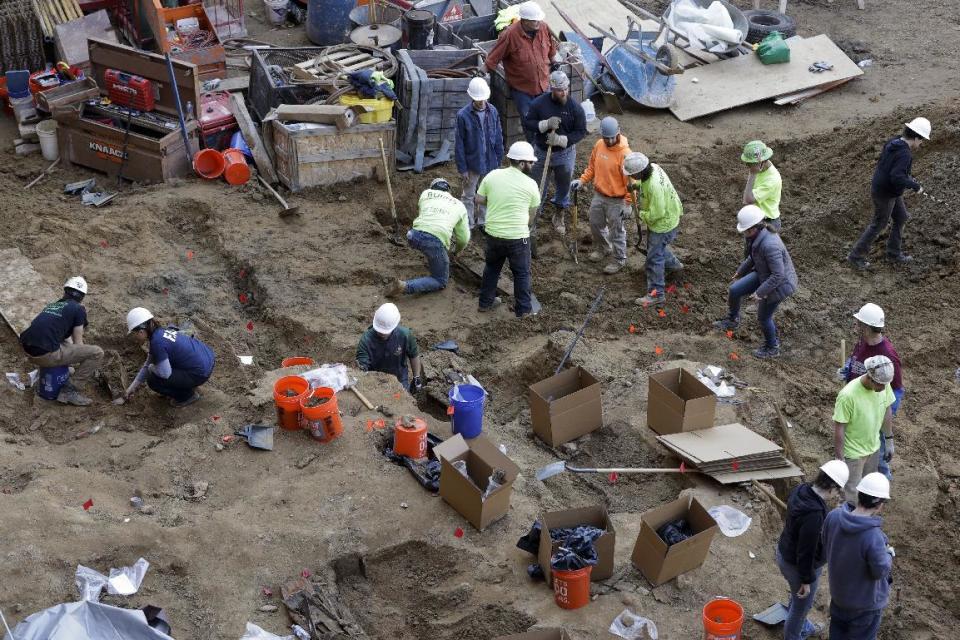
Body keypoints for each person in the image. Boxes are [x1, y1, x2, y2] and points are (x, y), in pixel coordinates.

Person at [776, 460, 848, 640]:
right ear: (832, 487)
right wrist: (806, 580)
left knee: (797, 597)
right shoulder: (814, 516)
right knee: (801, 607)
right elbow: (806, 552)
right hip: (798, 565)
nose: (836, 495)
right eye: (837, 490)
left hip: (785, 552)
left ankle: (803, 627)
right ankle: (793, 636)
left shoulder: (803, 490)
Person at [713, 205, 798, 359]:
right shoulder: (758, 237)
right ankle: (733, 320)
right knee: (735, 290)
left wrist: (760, 293)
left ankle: (772, 347)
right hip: (764, 273)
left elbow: (778, 275)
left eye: (745, 230)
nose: (743, 233)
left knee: (763, 317)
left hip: (779, 285)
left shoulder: (770, 245)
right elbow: (753, 257)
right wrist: (740, 271)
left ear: (752, 228)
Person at [848, 117, 930, 269]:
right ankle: (855, 256)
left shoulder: (894, 141)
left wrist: (906, 178)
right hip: (885, 192)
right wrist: (914, 185)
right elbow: (896, 176)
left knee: (901, 217)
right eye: (922, 140)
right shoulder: (905, 154)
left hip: (887, 188)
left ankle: (893, 253)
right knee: (878, 224)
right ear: (916, 137)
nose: (921, 143)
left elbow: (892, 169)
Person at [821, 473, 893, 640]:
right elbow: (880, 571)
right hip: (865, 607)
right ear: (879, 505)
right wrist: (889, 554)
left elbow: (826, 541)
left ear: (859, 495)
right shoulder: (873, 536)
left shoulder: (834, 516)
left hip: (839, 599)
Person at [475, 141, 541, 317]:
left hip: (493, 235)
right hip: (518, 238)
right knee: (521, 274)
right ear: (521, 163)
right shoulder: (531, 185)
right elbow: (531, 215)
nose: (533, 165)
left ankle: (485, 303)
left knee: (491, 268)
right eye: (531, 162)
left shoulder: (493, 175)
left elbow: (478, 199)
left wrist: (496, 202)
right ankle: (524, 311)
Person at [840, 303, 903, 480]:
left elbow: (896, 390)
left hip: (872, 402)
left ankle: (881, 477)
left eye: (859, 323)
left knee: (875, 438)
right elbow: (856, 360)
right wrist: (847, 368)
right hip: (856, 398)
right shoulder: (863, 342)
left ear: (867, 327)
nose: (856, 326)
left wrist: (879, 413)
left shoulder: (887, 355)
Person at [19, 276, 104, 406]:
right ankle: (70, 391)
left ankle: (61, 371)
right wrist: (87, 366)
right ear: (82, 297)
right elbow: (78, 344)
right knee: (97, 353)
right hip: (45, 355)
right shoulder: (79, 309)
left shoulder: (53, 306)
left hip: (27, 350)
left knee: (64, 348)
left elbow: (61, 337)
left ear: (65, 291)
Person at [522, 70, 587, 233]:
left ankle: (559, 214)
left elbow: (580, 132)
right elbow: (528, 122)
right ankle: (533, 217)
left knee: (564, 184)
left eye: (566, 88)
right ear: (552, 89)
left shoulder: (575, 108)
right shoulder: (539, 104)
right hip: (541, 152)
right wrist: (544, 124)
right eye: (559, 90)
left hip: (565, 154)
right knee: (537, 186)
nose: (564, 92)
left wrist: (560, 140)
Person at [384, 178, 470, 298]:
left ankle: (431, 256)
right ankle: (405, 286)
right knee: (440, 280)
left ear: (432, 188)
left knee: (430, 247)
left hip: (413, 235)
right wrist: (456, 251)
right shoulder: (460, 205)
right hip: (433, 241)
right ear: (449, 191)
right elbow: (463, 239)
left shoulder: (425, 194)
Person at [569, 116, 633, 275]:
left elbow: (631, 183)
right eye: (606, 137)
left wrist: (628, 203)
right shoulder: (599, 145)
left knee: (616, 231)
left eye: (612, 137)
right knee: (595, 224)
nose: (609, 140)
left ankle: (619, 260)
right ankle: (604, 248)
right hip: (599, 195)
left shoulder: (625, 154)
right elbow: (592, 167)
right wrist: (582, 180)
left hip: (617, 200)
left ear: (618, 133)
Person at [484, 1, 556, 133]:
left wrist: (553, 61)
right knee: (530, 122)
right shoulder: (509, 35)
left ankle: (546, 146)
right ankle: (533, 148)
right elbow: (493, 58)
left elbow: (551, 48)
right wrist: (482, 72)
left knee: (548, 118)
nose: (538, 22)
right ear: (525, 21)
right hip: (523, 90)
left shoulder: (543, 28)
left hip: (544, 85)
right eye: (534, 20)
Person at [623, 152, 685, 304]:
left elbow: (657, 213)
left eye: (632, 175)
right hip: (672, 214)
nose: (631, 177)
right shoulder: (654, 168)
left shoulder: (653, 187)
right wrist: (637, 186)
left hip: (662, 224)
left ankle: (657, 293)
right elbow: (647, 185)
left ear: (639, 171)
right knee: (658, 250)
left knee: (654, 259)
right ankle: (674, 265)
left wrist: (641, 214)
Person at [121, 307, 214, 408]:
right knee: (159, 365)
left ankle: (187, 396)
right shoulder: (161, 332)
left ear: (141, 331)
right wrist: (129, 390)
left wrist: (152, 368)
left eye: (134, 334)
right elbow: (147, 365)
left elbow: (165, 373)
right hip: (207, 359)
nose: (135, 337)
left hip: (201, 373)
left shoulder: (157, 343)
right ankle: (187, 383)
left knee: (153, 380)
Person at [833, 355, 895, 504]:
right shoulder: (848, 395)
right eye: (880, 384)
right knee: (851, 496)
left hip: (873, 448)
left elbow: (887, 411)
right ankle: (848, 523)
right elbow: (839, 428)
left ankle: (864, 520)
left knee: (868, 489)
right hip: (853, 454)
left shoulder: (883, 385)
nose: (884, 388)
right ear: (870, 377)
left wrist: (888, 440)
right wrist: (840, 459)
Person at [455, 77, 504, 229]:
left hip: (490, 161)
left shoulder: (493, 111)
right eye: (478, 99)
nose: (481, 102)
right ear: (471, 97)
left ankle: (483, 221)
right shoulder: (463, 115)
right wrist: (462, 168)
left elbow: (498, 136)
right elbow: (459, 144)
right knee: (468, 195)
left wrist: (498, 159)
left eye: (483, 99)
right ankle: (468, 224)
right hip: (472, 163)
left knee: (487, 194)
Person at [356, 303, 423, 392]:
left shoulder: (405, 335)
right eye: (380, 331)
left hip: (400, 378)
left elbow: (414, 355)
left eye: (385, 331)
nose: (382, 333)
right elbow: (362, 366)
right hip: (376, 380)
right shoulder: (366, 340)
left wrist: (416, 377)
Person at [741, 140, 782, 232]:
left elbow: (747, 200)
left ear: (762, 162)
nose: (747, 166)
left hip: (768, 224)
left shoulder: (772, 180)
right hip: (756, 219)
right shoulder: (760, 167)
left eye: (749, 164)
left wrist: (752, 174)